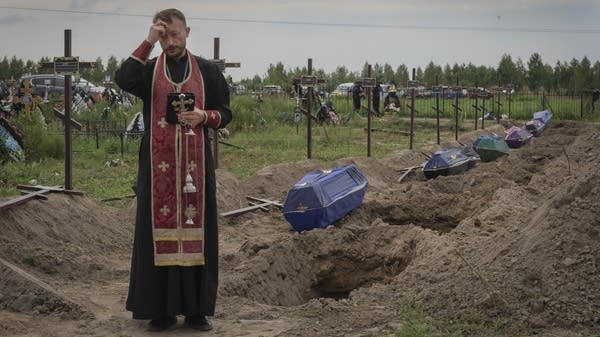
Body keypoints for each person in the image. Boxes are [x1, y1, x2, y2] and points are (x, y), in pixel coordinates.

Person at [115, 8, 232, 332]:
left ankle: (197, 312)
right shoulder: (149, 70)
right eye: (164, 36)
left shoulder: (207, 70)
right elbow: (123, 79)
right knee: (156, 236)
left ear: (188, 32)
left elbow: (225, 112)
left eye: (174, 34)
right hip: (157, 171)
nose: (170, 41)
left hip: (196, 171)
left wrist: (203, 117)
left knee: (199, 236)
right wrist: (147, 41)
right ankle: (160, 311)